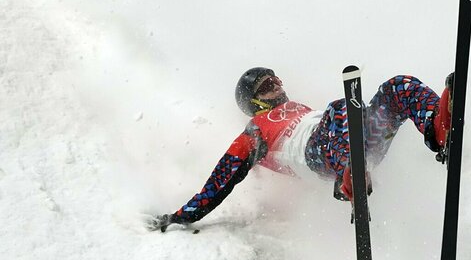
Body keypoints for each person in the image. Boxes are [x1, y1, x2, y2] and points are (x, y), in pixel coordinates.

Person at [149, 67, 453, 232]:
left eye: (276, 81)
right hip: (319, 154)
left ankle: (439, 129)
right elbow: (221, 179)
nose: (277, 88)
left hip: (355, 137)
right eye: (266, 87)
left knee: (397, 87)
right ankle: (349, 174)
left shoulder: (299, 107)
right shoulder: (254, 131)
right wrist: (182, 215)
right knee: (340, 110)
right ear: (253, 102)